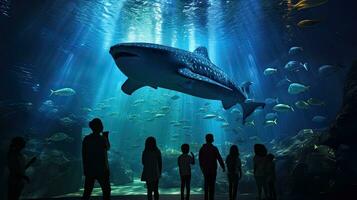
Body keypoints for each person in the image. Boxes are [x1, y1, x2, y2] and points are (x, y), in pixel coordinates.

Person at [82, 118, 111, 200]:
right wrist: (106, 137)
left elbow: (84, 154)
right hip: (102, 169)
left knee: (87, 192)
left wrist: (85, 168)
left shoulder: (86, 139)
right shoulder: (102, 139)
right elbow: (108, 148)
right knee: (106, 191)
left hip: (90, 169)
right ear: (100, 127)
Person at [199, 134, 225, 200]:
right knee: (212, 185)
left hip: (205, 170)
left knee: (206, 185)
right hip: (213, 170)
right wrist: (223, 166)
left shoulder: (202, 148)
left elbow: (200, 160)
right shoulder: (214, 148)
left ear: (206, 139)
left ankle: (206, 198)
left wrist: (202, 168)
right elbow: (219, 158)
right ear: (212, 139)